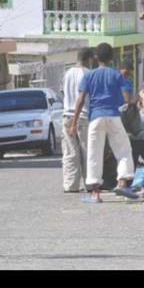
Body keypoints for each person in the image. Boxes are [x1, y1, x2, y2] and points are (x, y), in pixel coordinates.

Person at [69, 43, 138, 203]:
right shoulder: (116, 75)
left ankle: (95, 194)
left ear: (96, 58)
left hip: (95, 118)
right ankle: (122, 183)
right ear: (112, 58)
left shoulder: (89, 76)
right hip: (113, 116)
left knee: (94, 153)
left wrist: (74, 123)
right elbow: (127, 98)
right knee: (123, 150)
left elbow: (80, 101)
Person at [61, 47, 93, 193]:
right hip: (83, 117)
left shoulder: (67, 73)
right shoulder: (88, 74)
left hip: (66, 116)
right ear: (89, 59)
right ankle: (90, 183)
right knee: (87, 152)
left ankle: (70, 184)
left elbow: (64, 93)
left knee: (70, 152)